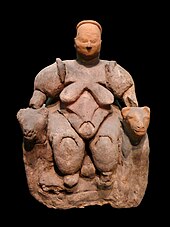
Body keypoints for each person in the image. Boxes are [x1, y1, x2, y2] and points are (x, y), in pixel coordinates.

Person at [28, 20, 139, 187]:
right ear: (75, 42)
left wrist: (132, 106)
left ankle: (105, 173)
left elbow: (127, 93)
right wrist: (37, 100)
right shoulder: (63, 69)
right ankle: (71, 172)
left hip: (104, 116)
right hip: (66, 117)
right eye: (84, 41)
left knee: (105, 145)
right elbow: (42, 89)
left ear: (101, 43)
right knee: (67, 146)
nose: (88, 45)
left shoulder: (110, 70)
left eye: (93, 41)